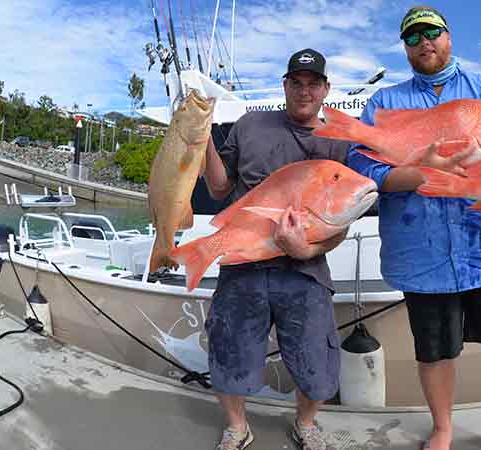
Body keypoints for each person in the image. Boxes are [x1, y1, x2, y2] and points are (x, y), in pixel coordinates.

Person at [346, 6, 481, 450]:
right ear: (404, 48)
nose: (424, 42)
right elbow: (362, 168)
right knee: (435, 353)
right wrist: (420, 172)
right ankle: (442, 428)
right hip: (422, 255)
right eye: (413, 37)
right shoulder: (384, 104)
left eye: (433, 32)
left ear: (448, 36)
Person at [202, 48, 350, 450]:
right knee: (229, 348)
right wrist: (204, 141)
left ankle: (306, 423)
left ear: (325, 90)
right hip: (245, 264)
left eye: (313, 84)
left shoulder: (337, 142)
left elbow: (341, 224)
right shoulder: (250, 125)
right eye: (296, 83)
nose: (305, 91)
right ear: (284, 85)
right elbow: (218, 189)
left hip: (305, 269)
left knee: (316, 359)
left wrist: (304, 250)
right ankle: (237, 426)